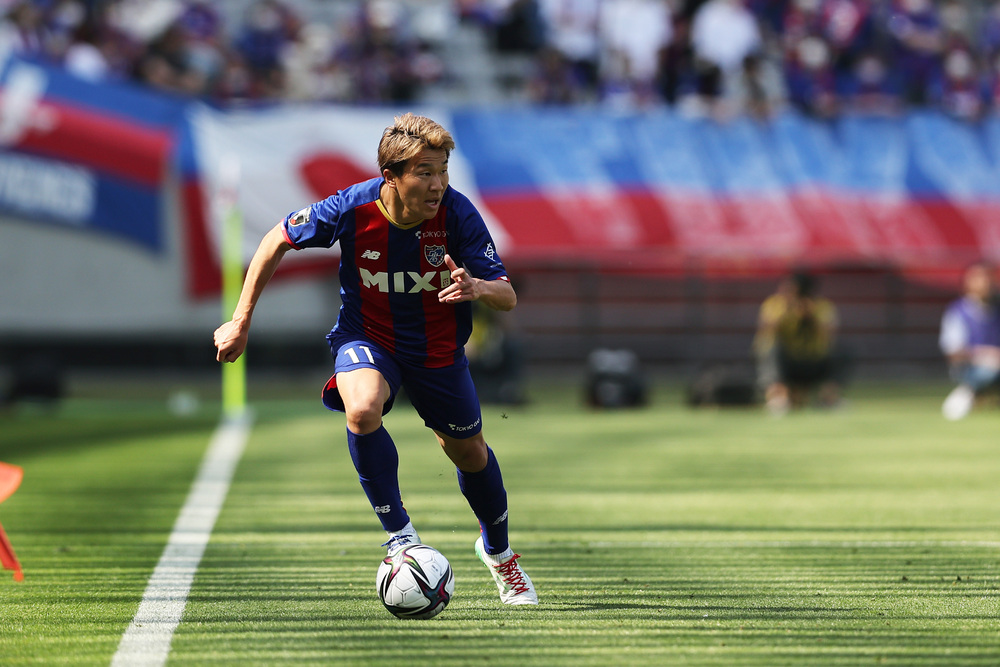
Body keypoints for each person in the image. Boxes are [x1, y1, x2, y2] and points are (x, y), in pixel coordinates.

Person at [213, 113, 537, 606]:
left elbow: (507, 296)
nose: (438, 184)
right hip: (367, 337)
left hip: (436, 349)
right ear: (391, 176)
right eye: (425, 172)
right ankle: (401, 537)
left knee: (469, 453)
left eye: (443, 171)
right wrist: (240, 320)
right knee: (362, 409)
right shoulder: (352, 206)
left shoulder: (458, 214)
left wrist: (477, 287)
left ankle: (499, 553)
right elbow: (276, 238)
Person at [753, 271, 847, 414]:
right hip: (787, 361)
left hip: (813, 360)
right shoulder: (775, 304)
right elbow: (766, 331)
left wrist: (811, 316)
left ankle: (829, 398)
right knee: (770, 348)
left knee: (842, 351)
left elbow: (829, 334)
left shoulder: (820, 306)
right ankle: (777, 398)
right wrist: (786, 311)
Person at [939, 262, 1000, 421]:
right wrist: (987, 355)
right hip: (970, 368)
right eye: (980, 278)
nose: (985, 283)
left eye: (989, 278)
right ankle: (969, 391)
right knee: (988, 370)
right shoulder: (958, 311)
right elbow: (953, 352)